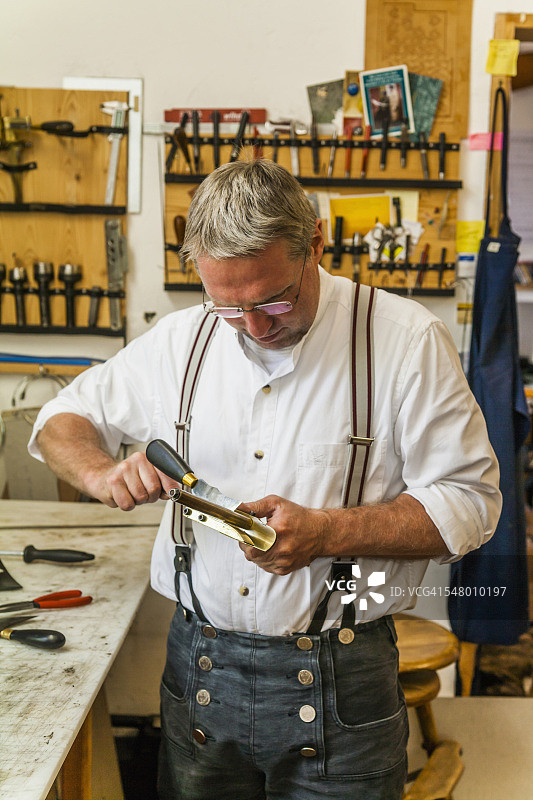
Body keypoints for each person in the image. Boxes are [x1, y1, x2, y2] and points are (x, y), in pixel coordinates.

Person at [29, 159, 501, 800]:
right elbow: (62, 418)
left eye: (274, 300)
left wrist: (328, 531)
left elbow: (471, 503)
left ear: (314, 243)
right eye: (227, 306)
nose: (254, 327)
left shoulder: (403, 340)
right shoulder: (181, 341)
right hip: (198, 671)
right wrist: (103, 471)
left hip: (344, 678)